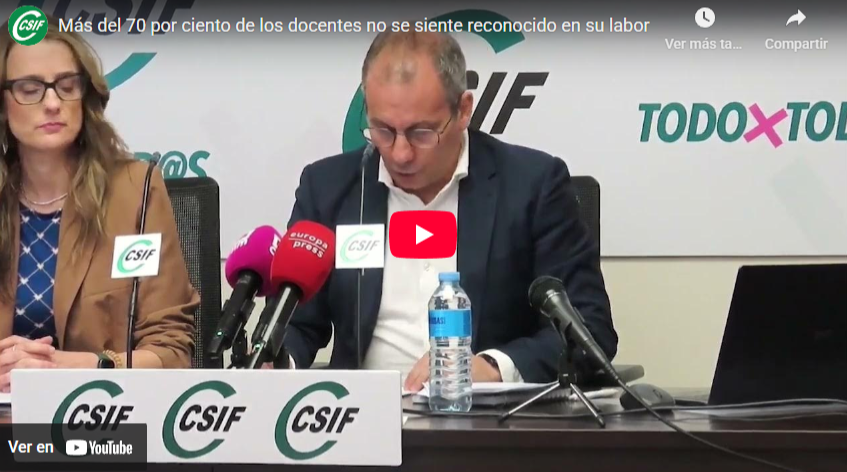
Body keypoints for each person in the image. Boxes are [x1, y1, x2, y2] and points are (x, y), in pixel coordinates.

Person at [283, 32, 617, 391]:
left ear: (463, 110)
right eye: (383, 130)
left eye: (421, 133)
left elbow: (589, 328)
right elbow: (297, 323)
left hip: (484, 417)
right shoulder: (328, 188)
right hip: (362, 413)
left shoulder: (532, 186)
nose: (400, 154)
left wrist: (493, 367)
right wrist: (277, 361)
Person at [0, 16, 198, 392]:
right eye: (30, 89)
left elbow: (171, 353)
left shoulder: (136, 191)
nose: (53, 103)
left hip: (103, 413)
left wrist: (83, 366)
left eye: (67, 86)